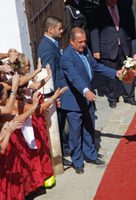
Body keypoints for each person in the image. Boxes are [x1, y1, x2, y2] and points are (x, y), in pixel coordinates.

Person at [60, 27, 123, 174]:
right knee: (75, 133)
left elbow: (97, 67)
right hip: (75, 102)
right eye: (80, 42)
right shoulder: (67, 57)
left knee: (89, 128)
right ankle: (78, 162)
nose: (83, 44)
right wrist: (85, 90)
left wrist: (116, 73)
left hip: (88, 99)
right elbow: (74, 76)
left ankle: (91, 155)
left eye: (84, 41)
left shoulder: (86, 51)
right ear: (71, 42)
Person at [37, 16, 71, 166]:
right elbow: (50, 73)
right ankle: (61, 153)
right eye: (59, 28)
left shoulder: (53, 42)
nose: (62, 31)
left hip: (60, 89)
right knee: (59, 122)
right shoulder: (46, 47)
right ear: (50, 30)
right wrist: (56, 96)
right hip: (56, 91)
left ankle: (65, 148)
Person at [90, 0, 136, 108]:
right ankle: (113, 97)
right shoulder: (98, 10)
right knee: (111, 71)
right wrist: (96, 49)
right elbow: (94, 30)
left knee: (128, 70)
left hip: (125, 45)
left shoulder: (124, 7)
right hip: (107, 47)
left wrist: (134, 50)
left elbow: (132, 29)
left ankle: (128, 95)